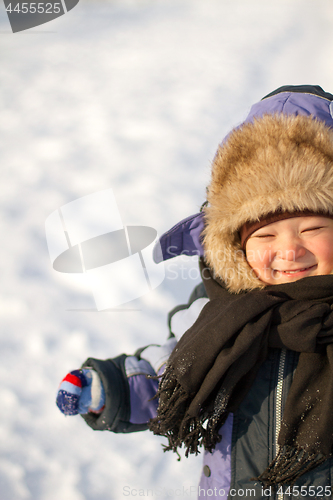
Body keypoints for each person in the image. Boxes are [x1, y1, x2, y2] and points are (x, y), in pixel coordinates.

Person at [56, 85, 333, 499]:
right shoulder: (218, 315)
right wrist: (110, 386)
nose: (289, 250)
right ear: (234, 243)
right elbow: (171, 373)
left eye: (312, 228)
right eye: (265, 233)